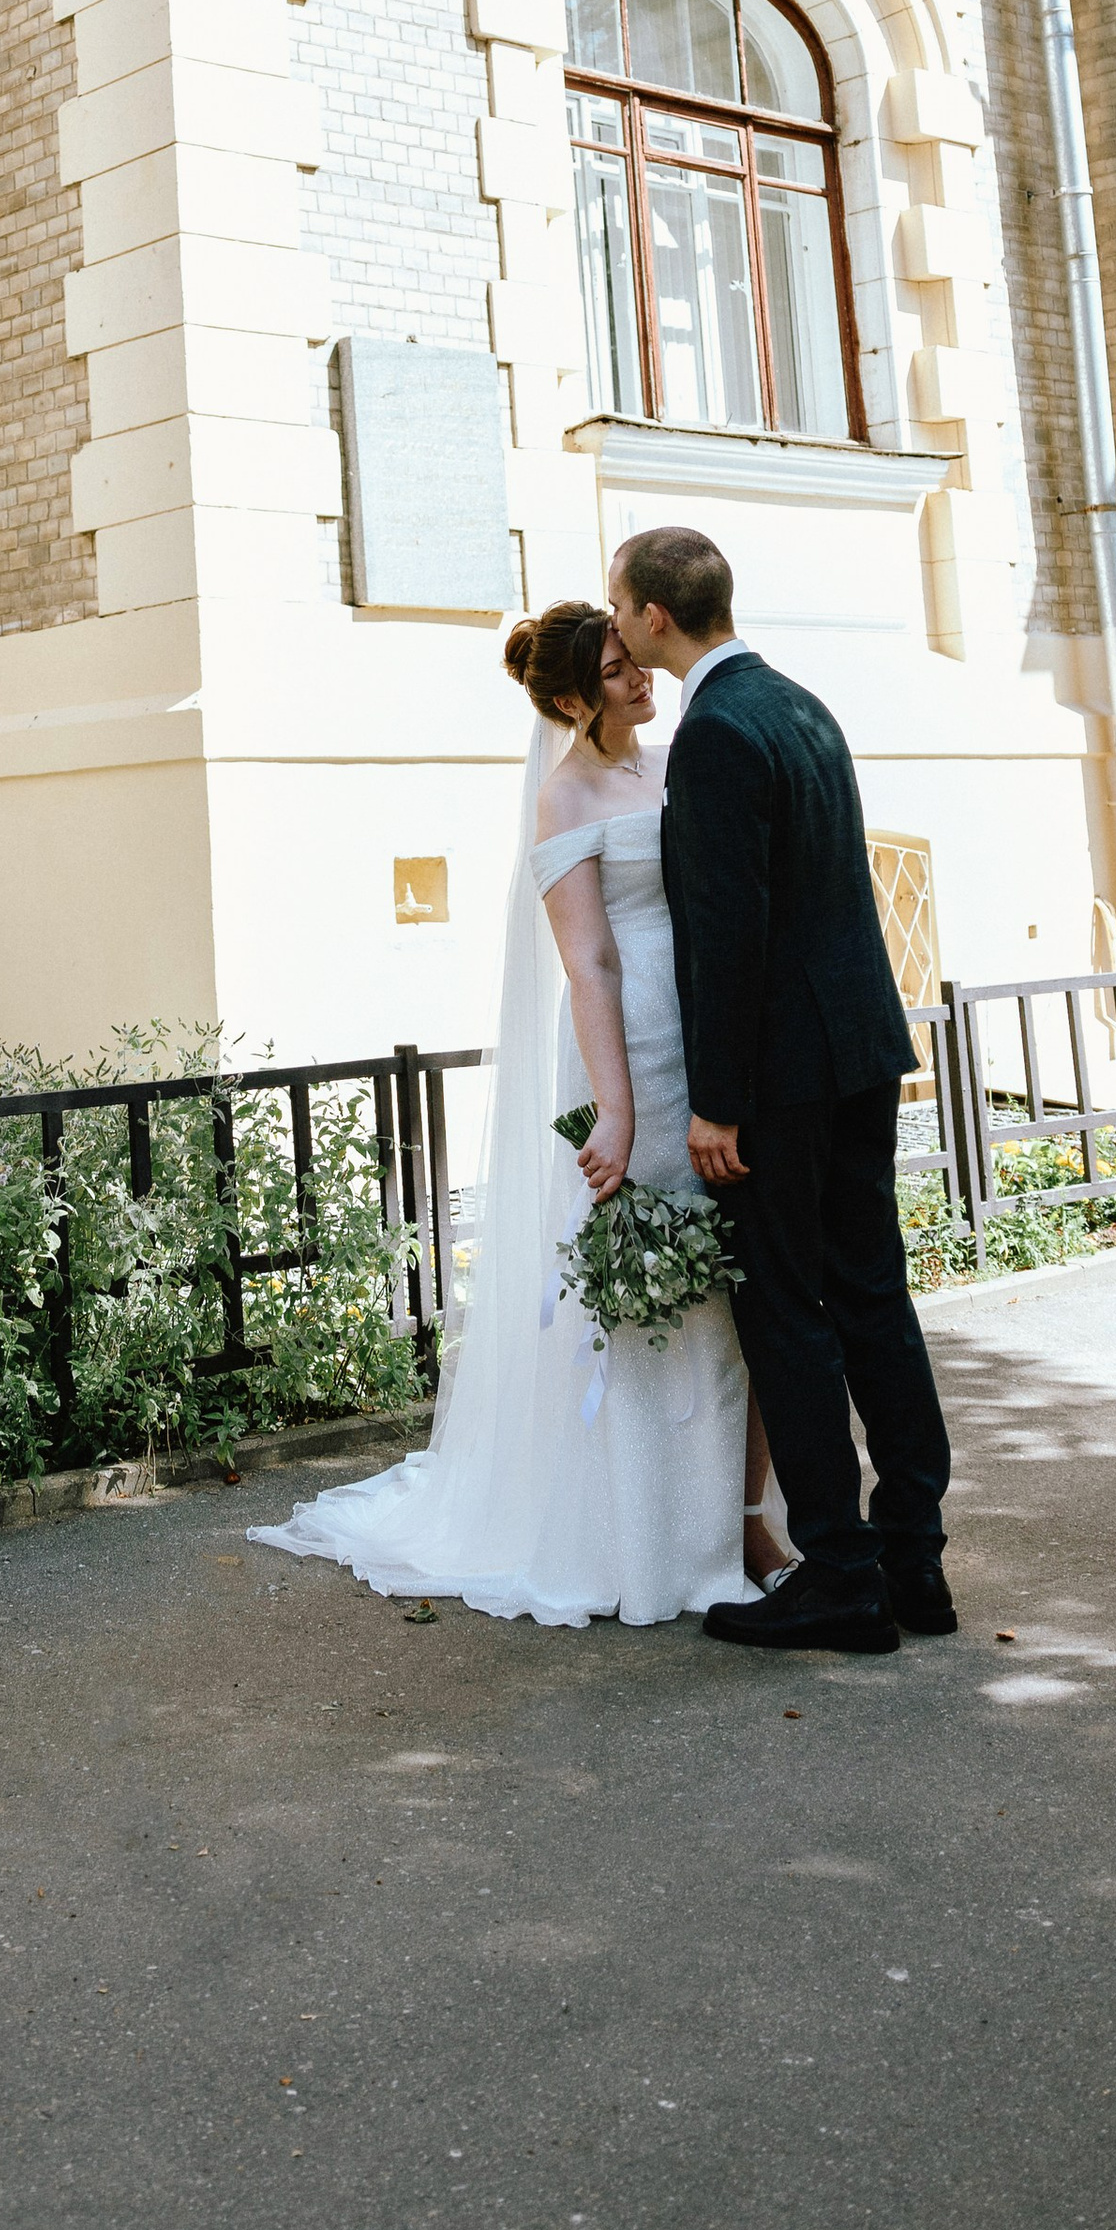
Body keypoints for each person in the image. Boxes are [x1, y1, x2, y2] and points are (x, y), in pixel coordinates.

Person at [248, 598, 774, 1626]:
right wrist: (614, 1111)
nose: (640, 676)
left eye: (635, 657)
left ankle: (738, 1514)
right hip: (636, 1053)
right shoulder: (566, 799)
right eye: (618, 668)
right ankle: (642, 1537)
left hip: (715, 1036)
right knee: (651, 1295)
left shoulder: (674, 762)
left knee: (734, 1290)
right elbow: (589, 960)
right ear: (573, 699)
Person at [607, 524, 955, 1656]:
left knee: (785, 1312)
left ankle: (840, 1575)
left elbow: (733, 930)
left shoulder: (711, 734)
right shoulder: (802, 704)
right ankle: (916, 1563)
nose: (613, 625)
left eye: (618, 608)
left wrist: (716, 1103)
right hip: (859, 1050)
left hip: (781, 1078)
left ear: (655, 616)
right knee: (872, 1299)